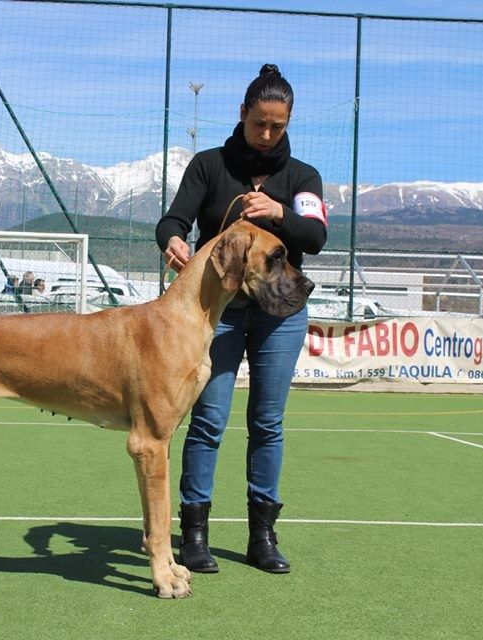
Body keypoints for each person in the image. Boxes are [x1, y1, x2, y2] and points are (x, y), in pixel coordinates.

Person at [156, 64, 328, 574]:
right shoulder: (209, 165)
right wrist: (172, 239)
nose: (267, 133)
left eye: (277, 125)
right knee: (208, 421)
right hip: (220, 317)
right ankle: (194, 535)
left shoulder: (302, 177)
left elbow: (316, 238)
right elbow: (174, 219)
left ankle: (263, 537)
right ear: (242, 114)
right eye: (259, 123)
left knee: (267, 423)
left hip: (281, 317)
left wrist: (278, 213)